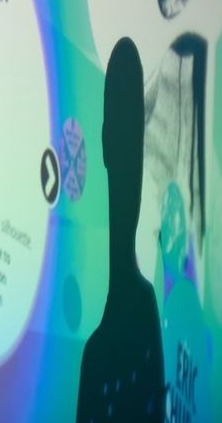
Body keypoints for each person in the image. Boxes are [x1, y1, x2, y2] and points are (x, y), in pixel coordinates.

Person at [76, 37, 164, 422]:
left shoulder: (141, 315)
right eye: (124, 131)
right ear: (107, 143)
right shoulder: (96, 355)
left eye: (135, 135)